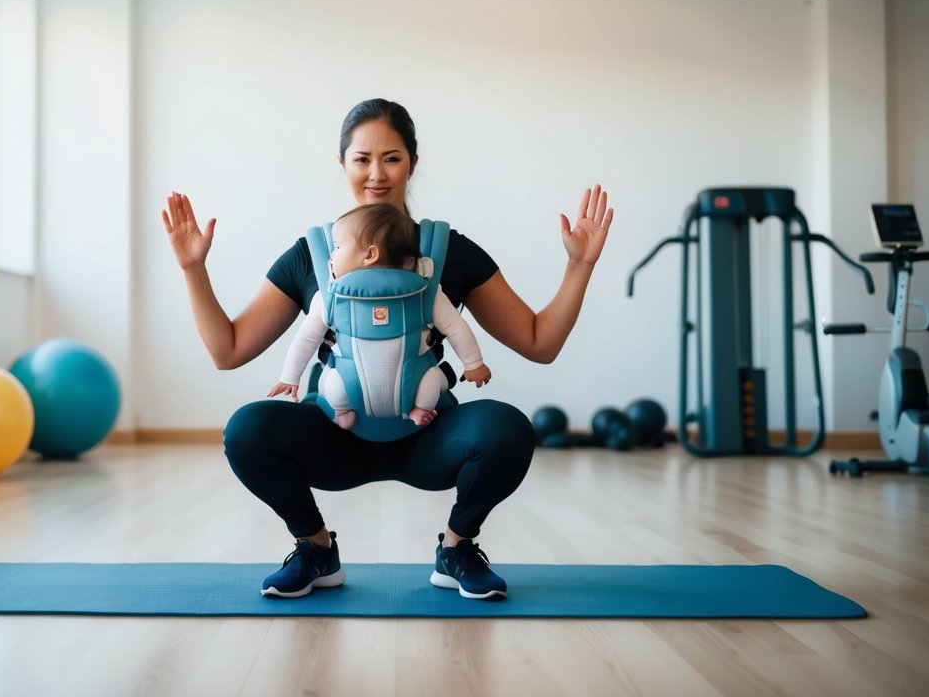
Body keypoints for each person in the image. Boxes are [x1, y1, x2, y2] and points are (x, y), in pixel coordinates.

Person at [162, 97, 613, 600]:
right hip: (338, 433)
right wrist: (192, 269)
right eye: (362, 159)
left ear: (413, 164)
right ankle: (315, 549)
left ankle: (457, 549)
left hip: (427, 436)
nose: (377, 173)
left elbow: (539, 342)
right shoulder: (315, 257)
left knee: (507, 429)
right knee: (247, 429)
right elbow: (228, 350)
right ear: (343, 165)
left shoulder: (448, 252)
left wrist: (579, 267)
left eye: (392, 157)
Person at [267, 202, 493, 429]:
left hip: (413, 379)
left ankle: (421, 409)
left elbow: (455, 327)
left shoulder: (425, 292)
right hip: (350, 380)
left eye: (337, 247)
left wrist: (473, 363)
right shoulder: (330, 297)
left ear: (370, 254)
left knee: (430, 382)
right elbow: (307, 338)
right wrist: (290, 375)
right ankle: (343, 410)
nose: (332, 257)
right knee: (333, 385)